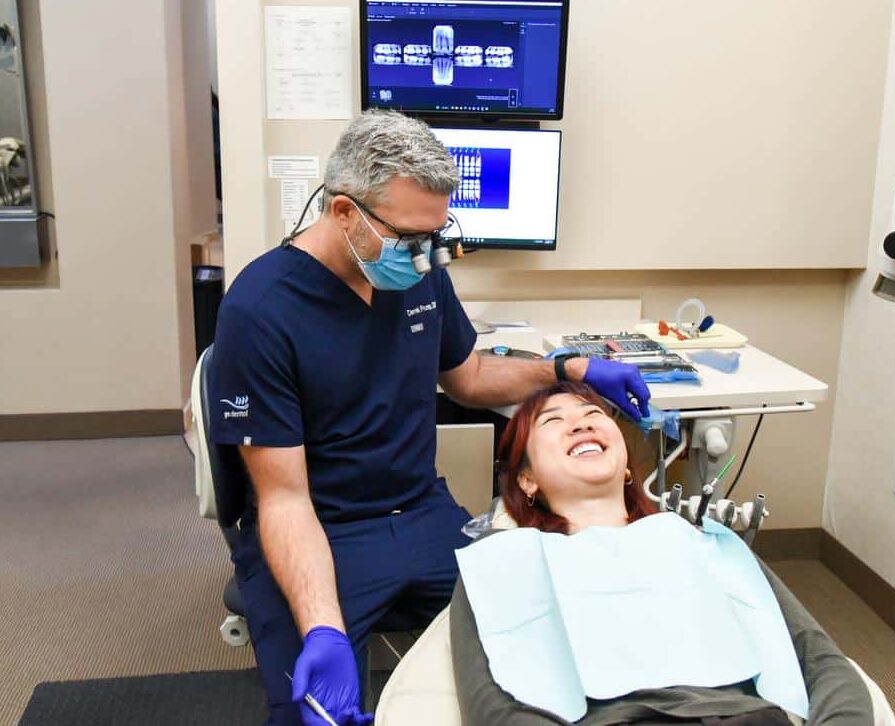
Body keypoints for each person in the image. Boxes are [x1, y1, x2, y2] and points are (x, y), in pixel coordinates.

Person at [207, 109, 652, 726]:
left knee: (545, 654)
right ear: (344, 212)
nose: (428, 255)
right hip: (320, 528)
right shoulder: (260, 310)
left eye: (438, 236)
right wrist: (324, 631)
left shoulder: (416, 274)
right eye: (413, 238)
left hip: (421, 513)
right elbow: (283, 499)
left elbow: (469, 376)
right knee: (317, 712)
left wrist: (567, 369)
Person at [449, 381, 875, 725]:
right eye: (553, 420)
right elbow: (493, 707)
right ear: (527, 479)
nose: (580, 425)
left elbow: (821, 660)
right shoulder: (504, 560)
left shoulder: (704, 541)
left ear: (627, 464)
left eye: (593, 414)